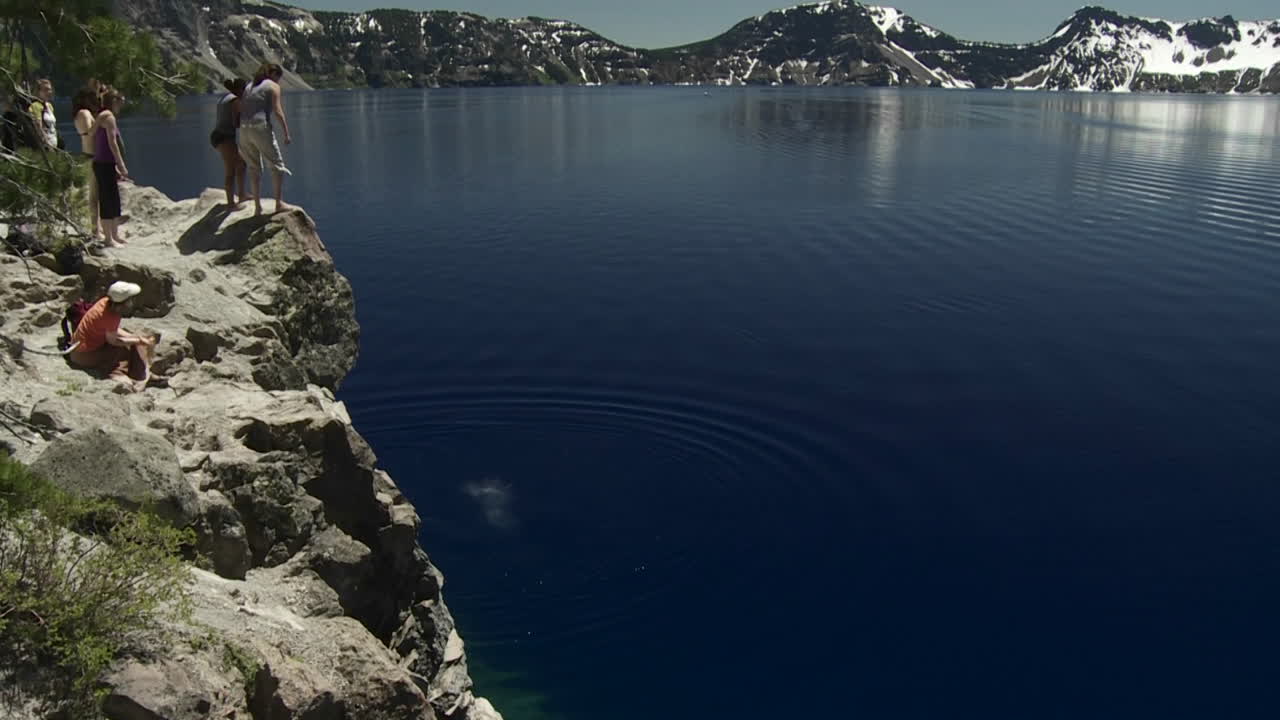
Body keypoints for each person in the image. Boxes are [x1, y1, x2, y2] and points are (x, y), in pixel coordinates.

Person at [67, 281, 157, 392]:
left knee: (133, 341)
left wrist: (134, 337)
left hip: (79, 349)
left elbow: (111, 329)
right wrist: (138, 340)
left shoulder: (105, 302)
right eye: (130, 299)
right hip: (84, 355)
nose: (132, 302)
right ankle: (121, 375)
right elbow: (114, 341)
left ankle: (142, 373)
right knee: (122, 350)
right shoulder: (111, 316)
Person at [238, 62, 292, 216]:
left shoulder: (249, 85)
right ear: (274, 74)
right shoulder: (272, 86)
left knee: (254, 168)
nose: (278, 82)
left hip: (243, 129)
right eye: (278, 78)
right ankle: (278, 203)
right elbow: (277, 110)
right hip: (260, 127)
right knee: (276, 166)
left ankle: (257, 208)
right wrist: (286, 132)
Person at [93, 88, 130, 247]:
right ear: (114, 101)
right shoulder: (108, 117)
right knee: (107, 200)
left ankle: (114, 234)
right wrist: (121, 164)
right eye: (120, 103)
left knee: (114, 199)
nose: (120, 107)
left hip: (106, 163)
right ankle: (108, 238)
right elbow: (112, 142)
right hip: (104, 163)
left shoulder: (104, 115)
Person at [72, 83, 103, 238]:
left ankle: (98, 227)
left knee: (97, 195)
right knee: (94, 196)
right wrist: (102, 119)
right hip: (90, 156)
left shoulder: (84, 113)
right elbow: (90, 133)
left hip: (93, 155)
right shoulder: (84, 113)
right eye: (93, 97)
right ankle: (95, 229)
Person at [211, 78, 248, 206]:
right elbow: (236, 123)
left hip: (219, 135)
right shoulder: (235, 101)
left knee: (241, 163)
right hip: (224, 137)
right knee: (230, 169)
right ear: (240, 90)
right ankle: (231, 203)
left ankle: (242, 195)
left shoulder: (225, 98)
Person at [28, 78, 59, 149]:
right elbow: (38, 128)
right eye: (45, 90)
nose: (49, 92)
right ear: (38, 92)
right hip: (44, 146)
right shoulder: (35, 106)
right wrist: (47, 144)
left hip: (54, 143)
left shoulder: (50, 106)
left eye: (50, 89)